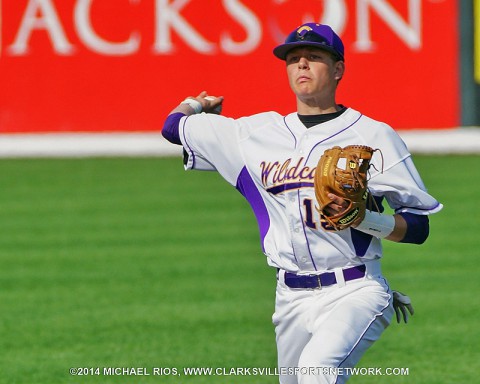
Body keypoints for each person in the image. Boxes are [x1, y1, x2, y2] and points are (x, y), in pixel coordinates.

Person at [161, 22, 442, 384]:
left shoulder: (373, 136)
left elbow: (419, 227)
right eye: (293, 59)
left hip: (354, 289)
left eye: (313, 57)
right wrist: (197, 104)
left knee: (317, 373)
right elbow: (174, 127)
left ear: (338, 69)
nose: (302, 65)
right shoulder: (252, 136)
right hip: (289, 297)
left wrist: (365, 220)